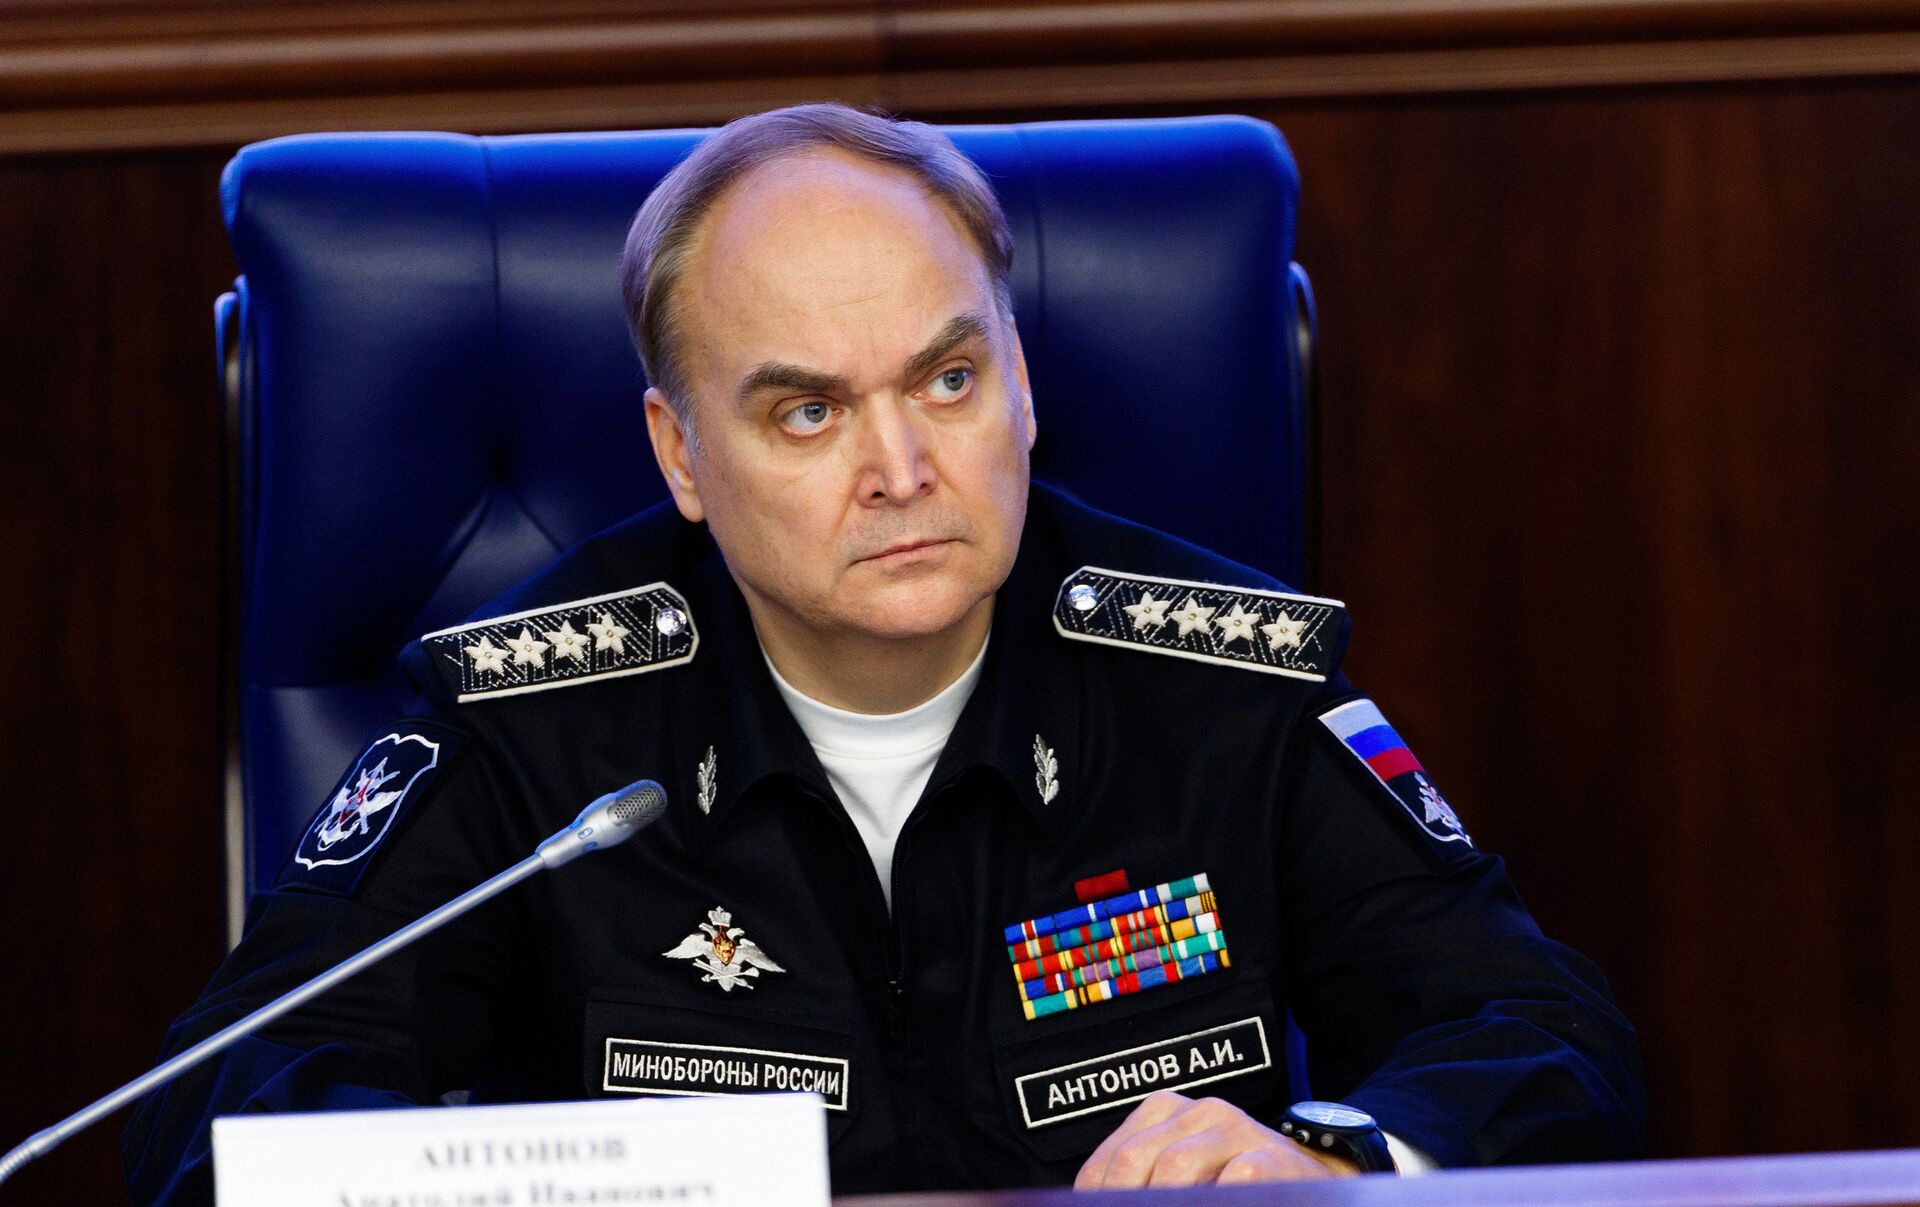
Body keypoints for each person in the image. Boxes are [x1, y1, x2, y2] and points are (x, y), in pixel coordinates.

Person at [123, 103, 1643, 1202]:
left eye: (949, 379)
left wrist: (1331, 1154)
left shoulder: (1222, 681)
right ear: (681, 455)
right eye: (809, 412)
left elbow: (1545, 1037)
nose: (904, 468)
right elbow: (217, 1102)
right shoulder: (534, 721)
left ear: (1022, 384)